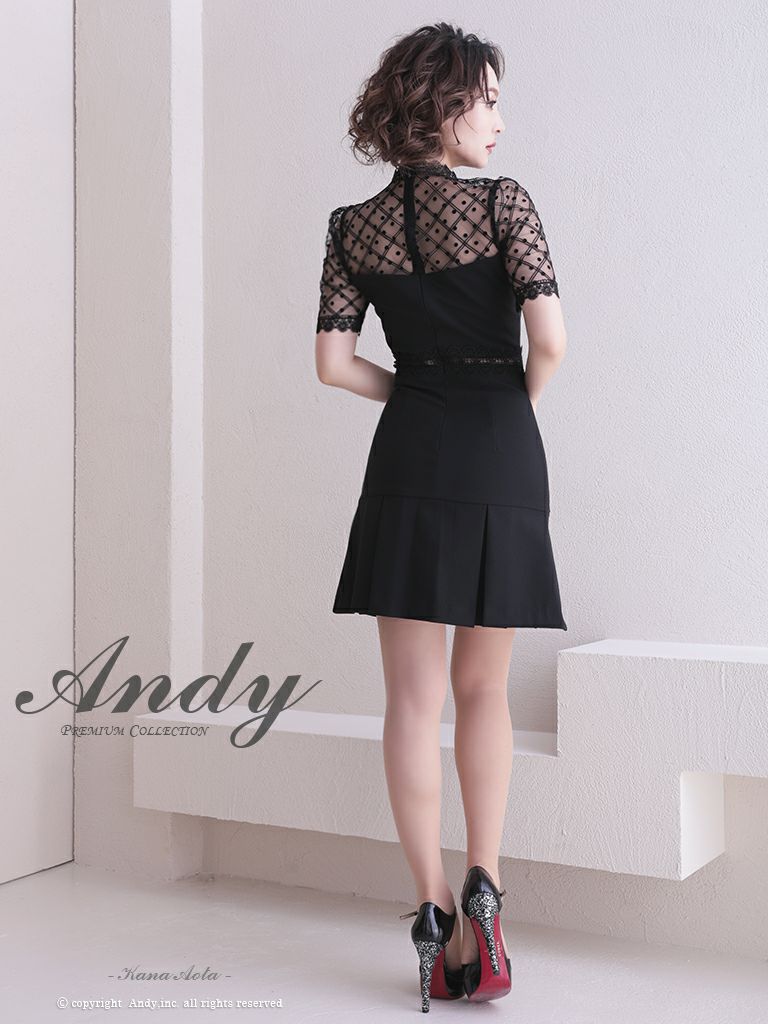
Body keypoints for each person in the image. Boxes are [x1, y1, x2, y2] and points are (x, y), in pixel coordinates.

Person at [314, 22, 567, 1012]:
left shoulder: (352, 226)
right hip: (500, 447)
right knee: (483, 690)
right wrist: (506, 410)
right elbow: (551, 342)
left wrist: (414, 393)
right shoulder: (504, 204)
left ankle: (429, 914)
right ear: (446, 103)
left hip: (408, 456)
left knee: (411, 702)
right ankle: (484, 889)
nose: (499, 120)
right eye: (488, 100)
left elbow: (333, 365)